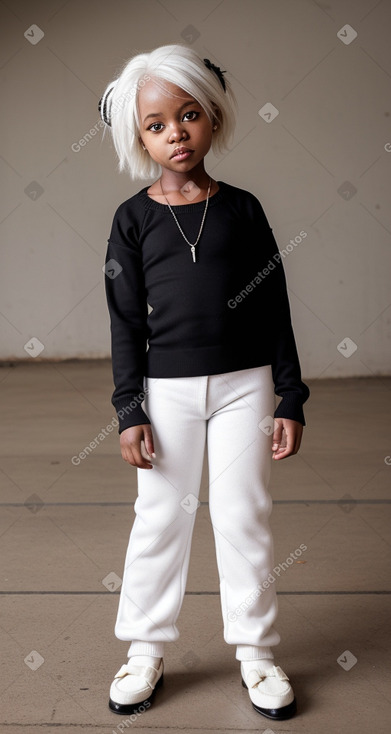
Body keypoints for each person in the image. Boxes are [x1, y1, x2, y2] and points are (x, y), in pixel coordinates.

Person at [99, 43, 310, 722]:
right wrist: (129, 408)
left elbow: (275, 306)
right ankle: (144, 649)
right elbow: (124, 320)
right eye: (156, 124)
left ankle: (255, 653)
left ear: (212, 118)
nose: (175, 133)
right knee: (159, 519)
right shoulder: (132, 221)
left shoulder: (242, 210)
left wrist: (290, 394)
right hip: (167, 395)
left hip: (246, 387)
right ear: (139, 137)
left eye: (188, 116)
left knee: (244, 516)